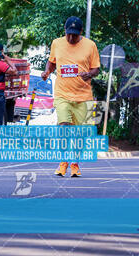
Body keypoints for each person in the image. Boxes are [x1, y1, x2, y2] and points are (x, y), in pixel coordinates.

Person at [42, 16, 100, 177]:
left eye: (75, 35)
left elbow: (96, 68)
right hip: (62, 94)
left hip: (83, 96)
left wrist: (89, 74)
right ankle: (63, 163)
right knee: (63, 127)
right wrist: (47, 71)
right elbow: (52, 62)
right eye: (68, 34)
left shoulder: (90, 45)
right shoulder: (57, 43)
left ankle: (74, 163)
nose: (71, 38)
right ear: (65, 31)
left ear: (81, 32)